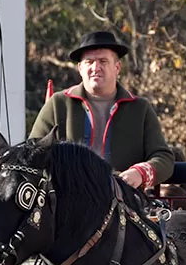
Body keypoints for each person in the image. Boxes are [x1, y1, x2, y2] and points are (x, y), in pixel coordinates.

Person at [29, 30, 174, 191]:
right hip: (66, 202)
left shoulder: (140, 108)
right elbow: (33, 153)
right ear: (80, 68)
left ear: (117, 67)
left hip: (124, 204)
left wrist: (139, 173)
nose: (95, 67)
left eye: (103, 61)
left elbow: (164, 158)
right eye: (89, 62)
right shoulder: (58, 104)